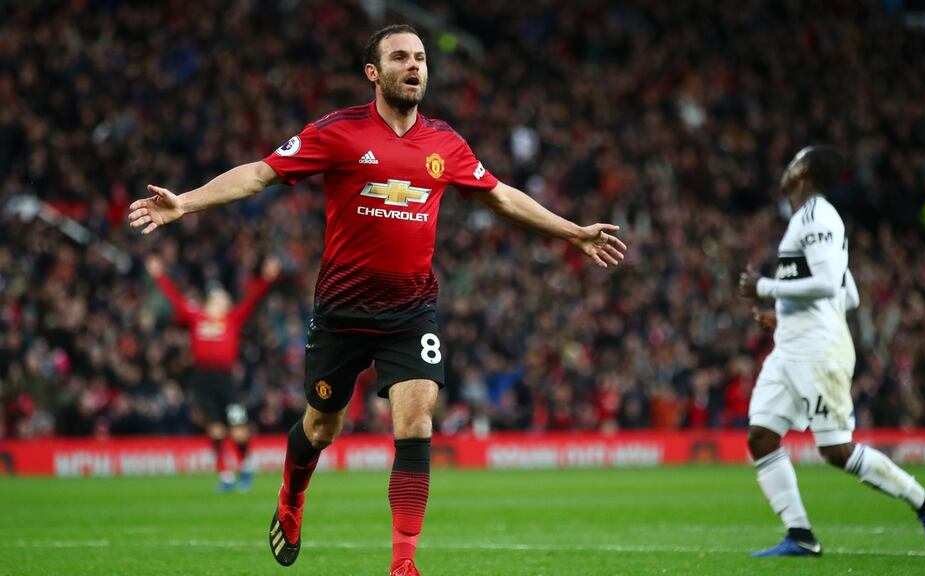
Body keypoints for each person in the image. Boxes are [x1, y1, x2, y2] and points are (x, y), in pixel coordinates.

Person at [127, 24, 626, 575]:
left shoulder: (445, 143)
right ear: (374, 72)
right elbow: (260, 173)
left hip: (411, 312)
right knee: (321, 428)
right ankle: (292, 496)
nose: (414, 66)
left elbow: (502, 195)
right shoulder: (338, 132)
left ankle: (403, 563)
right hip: (341, 312)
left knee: (416, 422)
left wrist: (572, 232)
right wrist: (186, 204)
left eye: (419, 58)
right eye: (400, 58)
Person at [737, 145, 925, 558]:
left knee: (836, 450)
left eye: (794, 162)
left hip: (818, 350)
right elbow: (848, 294)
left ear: (805, 173)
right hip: (790, 348)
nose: (786, 169)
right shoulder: (805, 220)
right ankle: (800, 534)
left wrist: (765, 287)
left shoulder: (818, 214)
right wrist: (786, 317)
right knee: (761, 435)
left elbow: (829, 282)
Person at [146, 256, 280, 492]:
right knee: (216, 428)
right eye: (219, 299)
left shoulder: (232, 318)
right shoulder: (196, 317)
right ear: (210, 302)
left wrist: (267, 279)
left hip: (226, 380)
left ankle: (246, 465)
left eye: (224, 300)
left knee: (238, 428)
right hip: (203, 378)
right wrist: (159, 274)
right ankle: (226, 475)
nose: (222, 302)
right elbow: (175, 299)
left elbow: (252, 299)